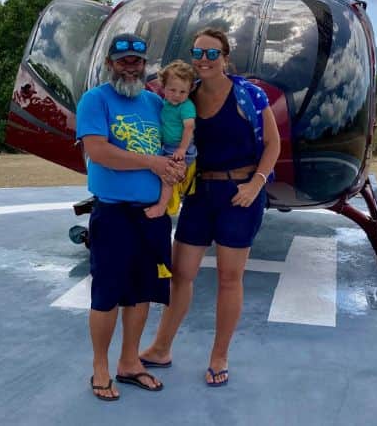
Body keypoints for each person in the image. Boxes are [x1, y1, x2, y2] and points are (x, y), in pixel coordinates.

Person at [140, 27, 280, 387]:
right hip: (201, 193)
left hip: (240, 194)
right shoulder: (189, 97)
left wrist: (256, 184)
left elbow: (272, 146)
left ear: (226, 58)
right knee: (181, 272)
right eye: (198, 53)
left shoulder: (249, 95)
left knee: (229, 278)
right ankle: (161, 347)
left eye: (211, 53)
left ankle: (219, 355)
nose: (203, 59)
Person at [75, 32, 184, 401]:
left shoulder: (156, 104)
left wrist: (175, 168)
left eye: (136, 61)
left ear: (144, 65)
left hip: (152, 216)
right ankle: (100, 367)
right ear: (110, 64)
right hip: (114, 213)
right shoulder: (95, 100)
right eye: (122, 61)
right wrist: (152, 163)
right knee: (106, 293)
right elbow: (98, 151)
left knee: (142, 292)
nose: (130, 67)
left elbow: (174, 146)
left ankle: (129, 363)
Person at [152, 59, 197, 219]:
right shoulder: (165, 104)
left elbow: (189, 128)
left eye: (182, 92)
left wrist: (182, 149)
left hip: (181, 149)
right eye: (172, 90)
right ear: (163, 87)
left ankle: (164, 207)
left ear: (189, 90)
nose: (177, 95)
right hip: (168, 147)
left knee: (167, 177)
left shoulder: (186, 107)